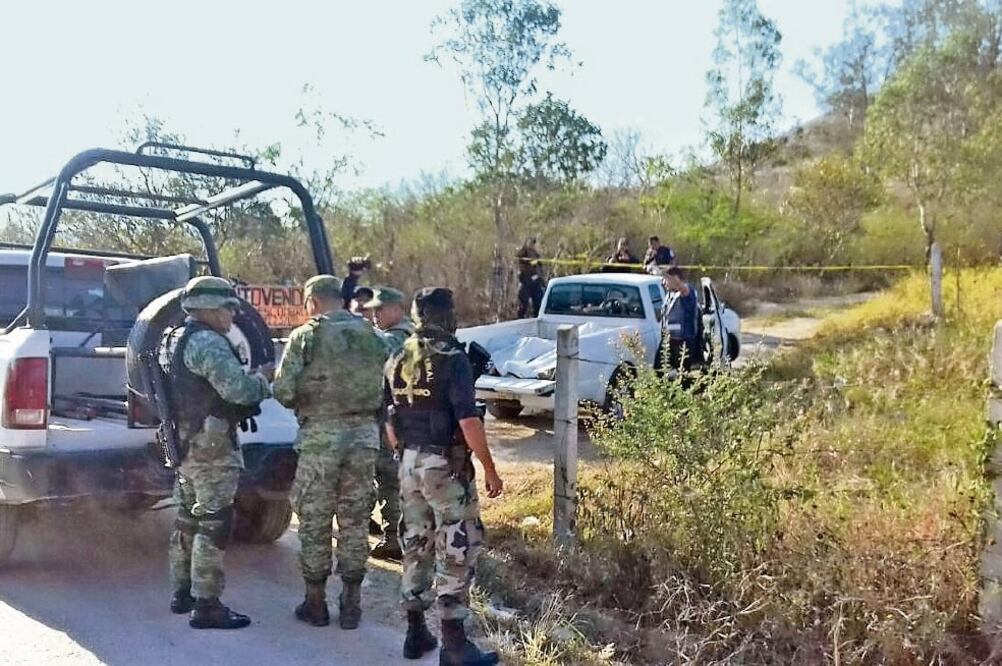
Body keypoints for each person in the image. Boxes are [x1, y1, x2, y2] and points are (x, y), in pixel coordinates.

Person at [385, 287, 504, 664]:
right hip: (444, 466)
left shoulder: (395, 356)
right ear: (447, 316)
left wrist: (406, 456)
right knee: (457, 545)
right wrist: (489, 468)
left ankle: (415, 633)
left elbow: (388, 419)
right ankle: (454, 647)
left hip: (408, 462)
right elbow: (468, 421)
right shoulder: (453, 358)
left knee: (416, 543)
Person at [273, 275, 389, 630]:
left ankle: (315, 602)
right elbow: (389, 386)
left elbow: (284, 391)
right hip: (363, 438)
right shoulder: (374, 335)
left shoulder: (307, 336)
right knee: (355, 521)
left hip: (321, 439)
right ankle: (351, 605)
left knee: (315, 520)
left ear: (312, 302)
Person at [164, 276, 273, 630]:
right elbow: (239, 390)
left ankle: (183, 592)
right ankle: (207, 604)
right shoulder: (209, 343)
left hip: (186, 440)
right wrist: (264, 378)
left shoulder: (175, 337)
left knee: (187, 518)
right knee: (214, 522)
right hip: (211, 446)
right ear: (209, 308)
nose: (233, 315)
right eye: (228, 308)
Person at [361, 286, 414, 560]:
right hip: (401, 416)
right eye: (372, 309)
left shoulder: (397, 338)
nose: (374, 314)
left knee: (388, 478)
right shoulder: (409, 334)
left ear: (396, 309)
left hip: (391, 418)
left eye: (379, 309)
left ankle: (393, 537)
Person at [657, 266, 703, 376]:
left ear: (676, 279)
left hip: (683, 341)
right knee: (662, 373)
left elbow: (681, 287)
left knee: (681, 375)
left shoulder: (687, 291)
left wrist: (666, 275)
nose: (664, 282)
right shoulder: (670, 294)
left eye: (667, 279)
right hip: (670, 340)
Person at [516, 237, 545, 318]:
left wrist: (540, 277)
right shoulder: (523, 252)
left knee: (538, 302)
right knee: (523, 303)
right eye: (531, 242)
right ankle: (520, 319)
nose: (532, 245)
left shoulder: (536, 254)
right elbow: (520, 259)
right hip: (525, 281)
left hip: (535, 281)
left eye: (533, 243)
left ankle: (536, 317)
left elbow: (540, 266)